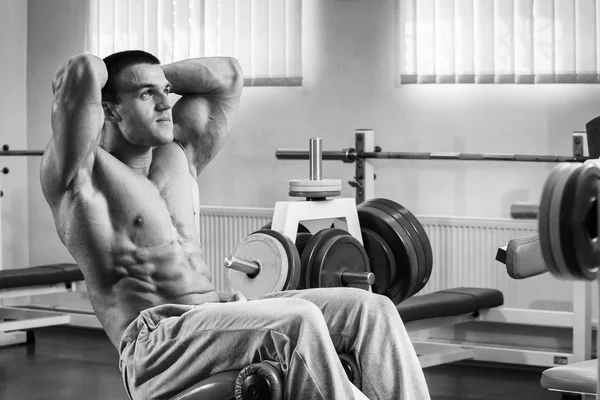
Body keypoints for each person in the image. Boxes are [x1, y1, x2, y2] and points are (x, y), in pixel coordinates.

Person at [40, 50, 431, 400]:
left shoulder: (179, 157)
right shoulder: (83, 176)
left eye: (167, 91)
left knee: (371, 309)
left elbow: (228, 74)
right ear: (109, 110)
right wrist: (117, 71)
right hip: (157, 345)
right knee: (298, 321)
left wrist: (152, 76)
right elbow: (83, 69)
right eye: (147, 94)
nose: (165, 103)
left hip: (221, 313)